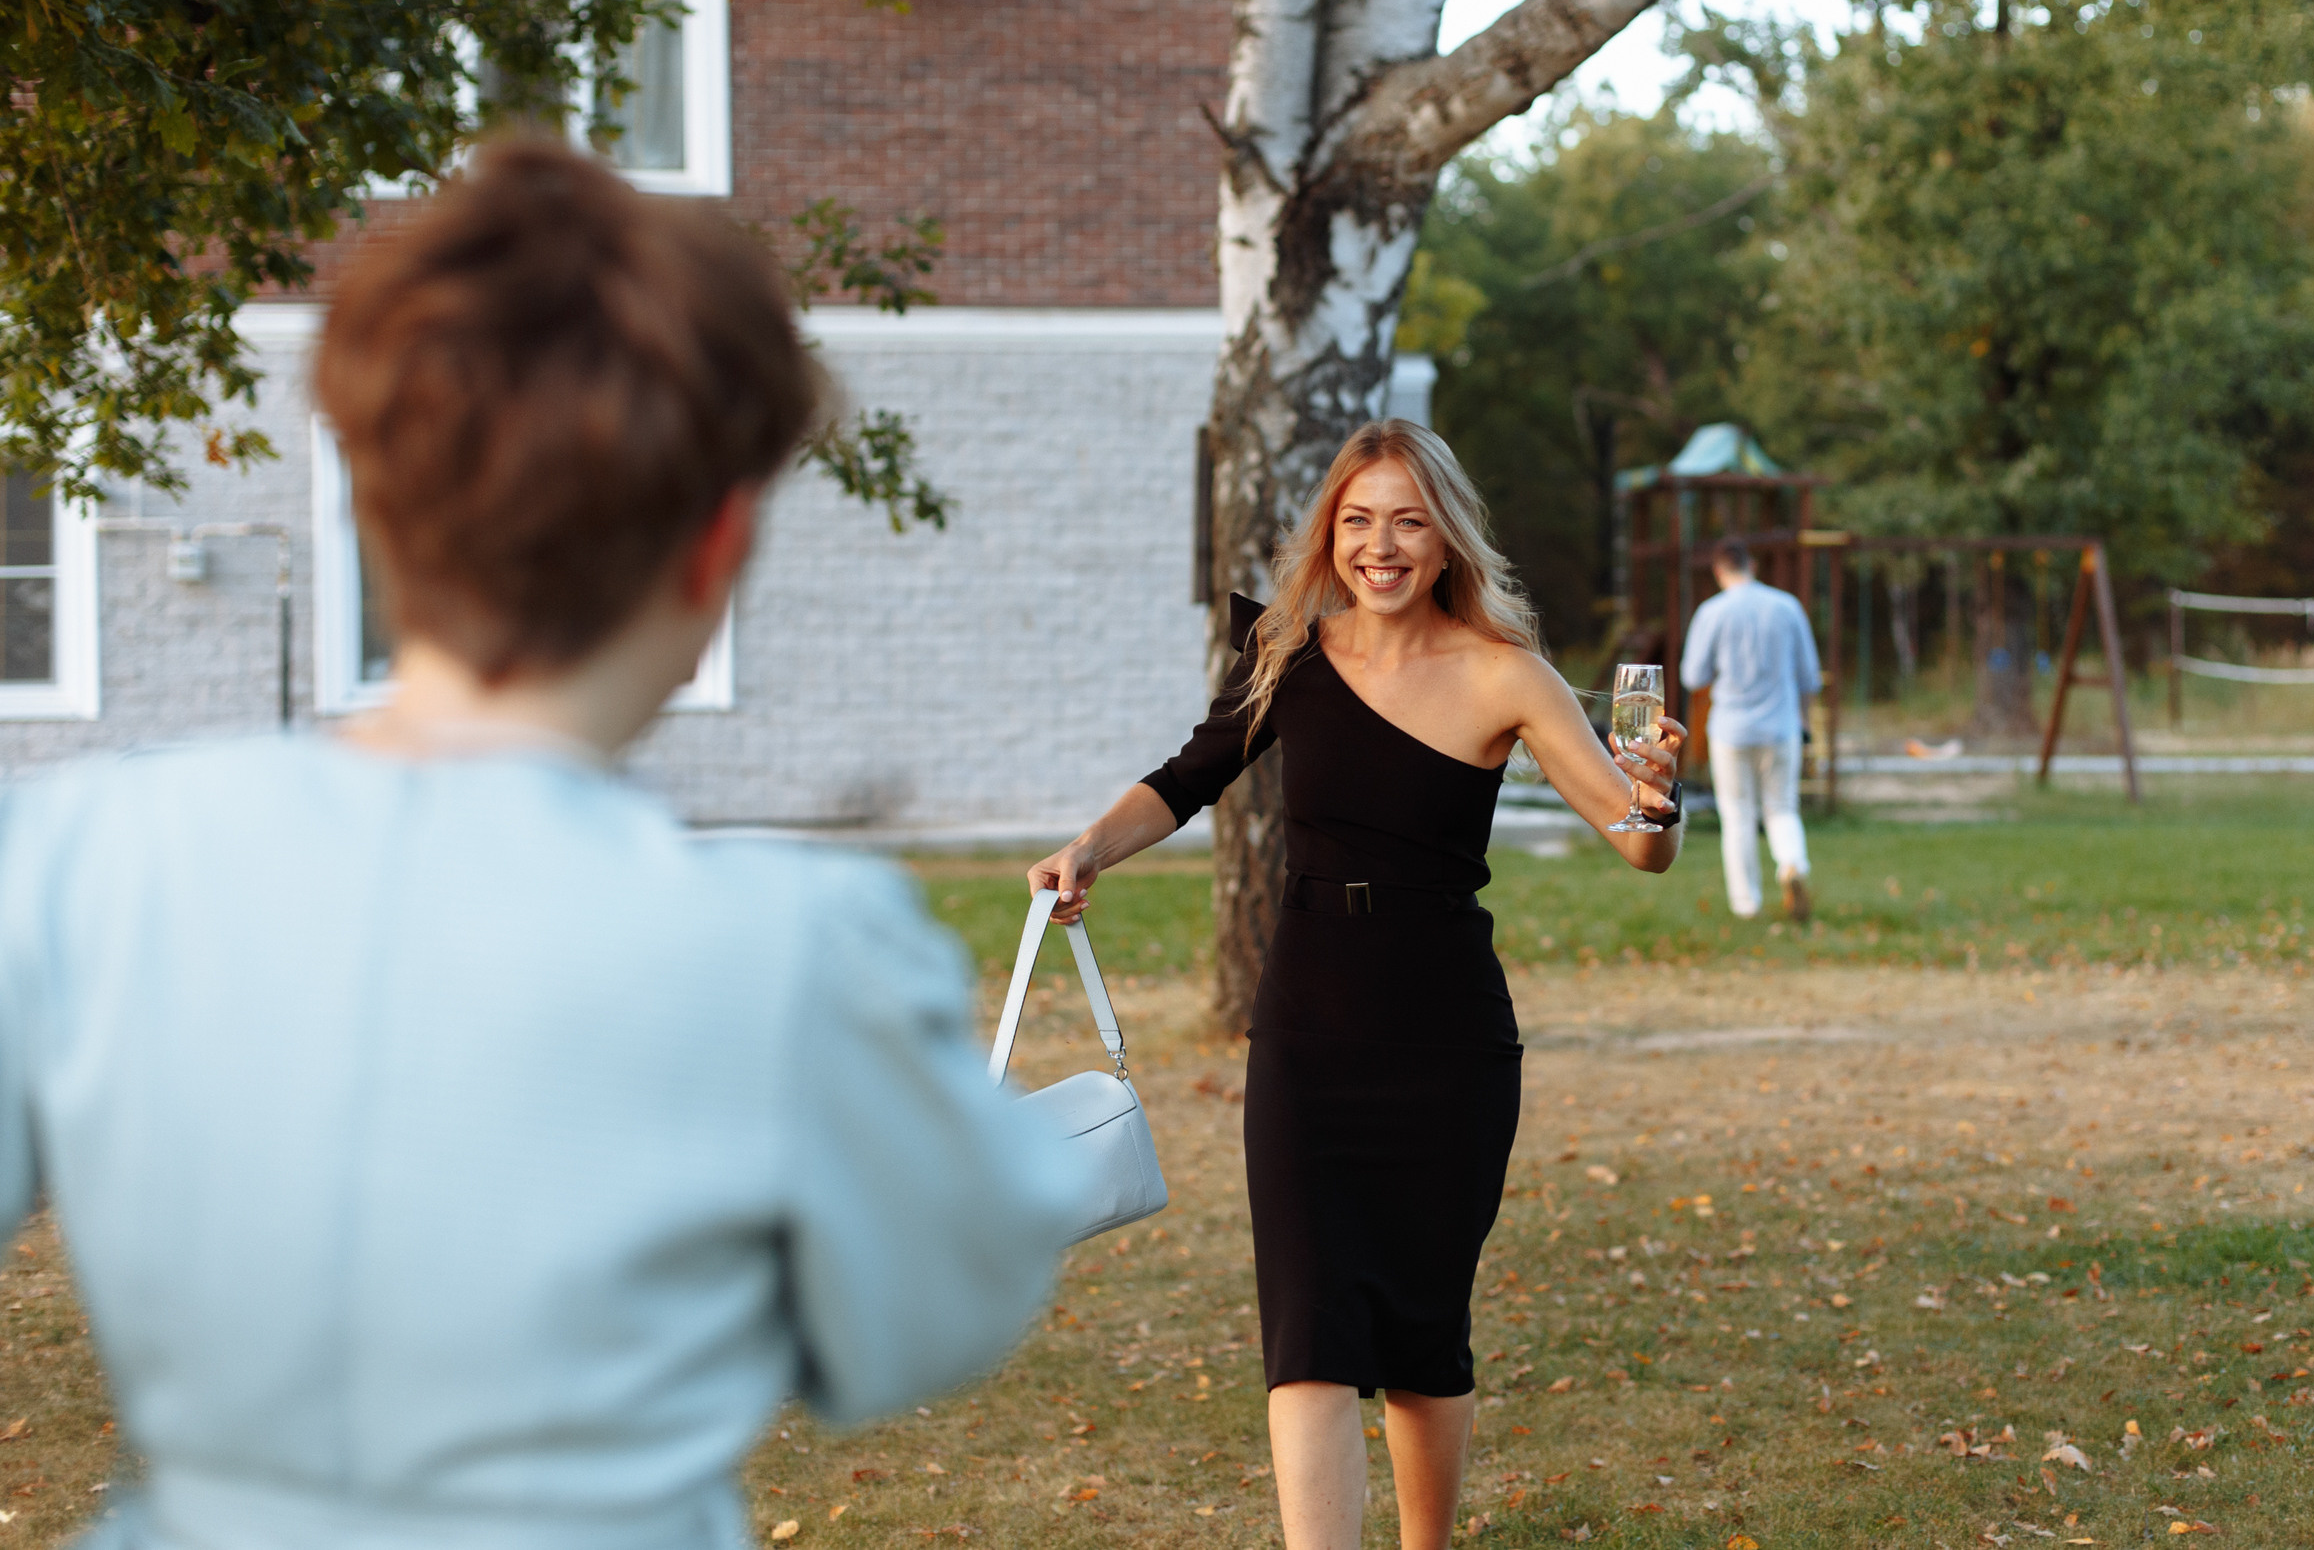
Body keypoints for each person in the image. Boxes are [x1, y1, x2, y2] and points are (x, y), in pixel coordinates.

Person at [0, 141, 1083, 1550]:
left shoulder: (87, 858)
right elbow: (932, 1311)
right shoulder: (789, 951)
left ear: (378, 509)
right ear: (717, 547)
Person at [1029, 419, 1685, 1550]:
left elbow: (1637, 841)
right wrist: (1086, 845)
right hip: (1305, 1035)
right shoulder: (1289, 649)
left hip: (1446, 1044)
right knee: (1307, 1329)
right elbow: (1189, 778)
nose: (1380, 544)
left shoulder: (1507, 675)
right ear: (1331, 534)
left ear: (1445, 540)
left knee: (1424, 1336)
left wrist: (1662, 795)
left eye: (1407, 520)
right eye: (1357, 519)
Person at [1680, 535, 1823, 922]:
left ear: (1718, 571)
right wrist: (1804, 719)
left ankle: (1746, 904)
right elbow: (1810, 676)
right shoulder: (1787, 606)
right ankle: (1792, 864)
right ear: (1752, 566)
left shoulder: (1712, 611)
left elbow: (1693, 675)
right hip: (1781, 727)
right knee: (1782, 807)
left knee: (1738, 813)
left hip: (1732, 729)